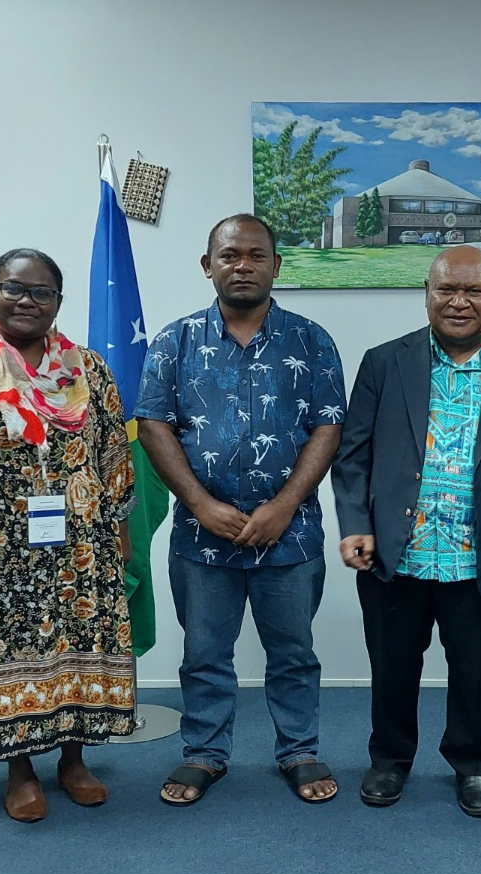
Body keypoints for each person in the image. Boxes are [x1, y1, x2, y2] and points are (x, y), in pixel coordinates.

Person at [331, 246, 481, 814]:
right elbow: (353, 456)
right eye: (446, 290)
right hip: (395, 551)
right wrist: (354, 523)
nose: (458, 301)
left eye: (473, 291)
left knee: (476, 670)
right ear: (427, 292)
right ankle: (390, 759)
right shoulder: (385, 362)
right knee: (392, 666)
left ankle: (473, 763)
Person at [136, 214, 346, 807]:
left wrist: (284, 506)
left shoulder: (311, 340)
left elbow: (328, 426)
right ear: (209, 266)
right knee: (204, 655)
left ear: (277, 265)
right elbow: (153, 424)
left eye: (256, 255)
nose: (243, 265)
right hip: (202, 540)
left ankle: (299, 750)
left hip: (291, 535)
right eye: (229, 256)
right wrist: (200, 504)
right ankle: (204, 754)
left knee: (294, 654)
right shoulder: (174, 342)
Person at [0, 248, 136, 822]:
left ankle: (73, 760)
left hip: (82, 537)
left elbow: (113, 449)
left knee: (79, 644)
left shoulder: (87, 368)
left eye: (41, 292)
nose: (26, 301)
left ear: (58, 302)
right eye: (14, 288)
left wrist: (120, 530)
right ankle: (19, 772)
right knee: (14, 650)